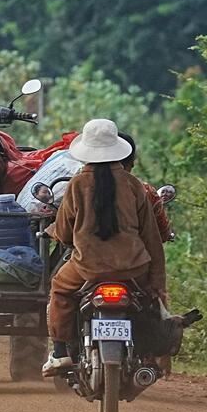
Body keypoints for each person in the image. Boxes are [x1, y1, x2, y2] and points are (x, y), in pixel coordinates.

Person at [42, 119, 166, 376]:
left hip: (87, 268)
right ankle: (150, 354)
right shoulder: (133, 185)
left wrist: (62, 235)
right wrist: (157, 283)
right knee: (148, 300)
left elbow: (63, 232)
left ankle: (61, 353)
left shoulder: (77, 184)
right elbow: (151, 237)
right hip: (133, 268)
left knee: (60, 289)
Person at [117, 132, 175, 241]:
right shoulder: (146, 192)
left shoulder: (83, 188)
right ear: (132, 162)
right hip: (131, 251)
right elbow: (162, 232)